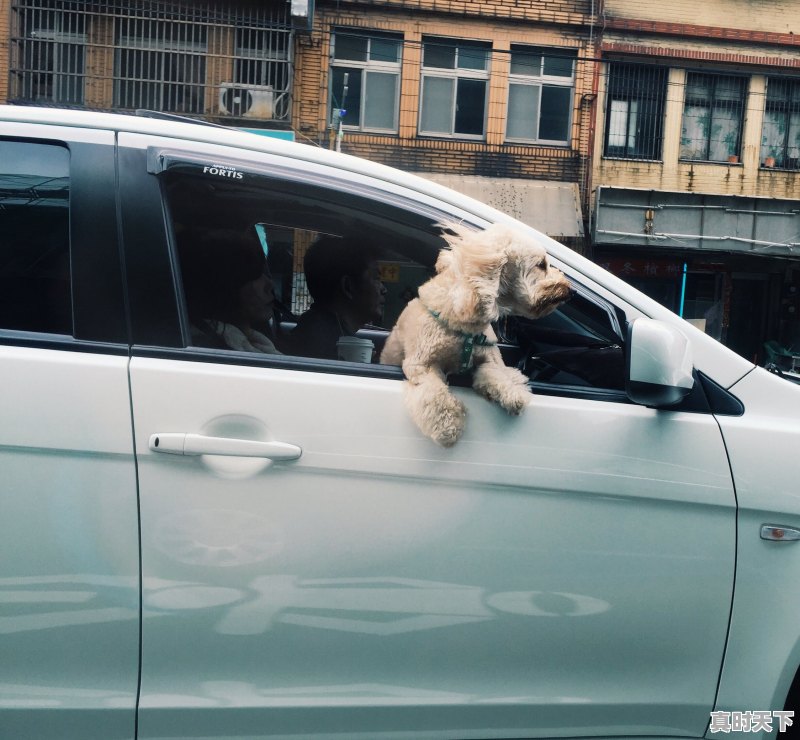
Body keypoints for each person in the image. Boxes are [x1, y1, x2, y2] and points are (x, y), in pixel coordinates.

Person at [179, 228, 282, 354]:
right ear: (225, 287)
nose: (270, 284)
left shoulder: (242, 342)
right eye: (254, 275)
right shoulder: (211, 350)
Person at [288, 234, 386, 360]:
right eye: (376, 278)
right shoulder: (324, 344)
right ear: (348, 287)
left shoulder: (319, 329)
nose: (384, 289)